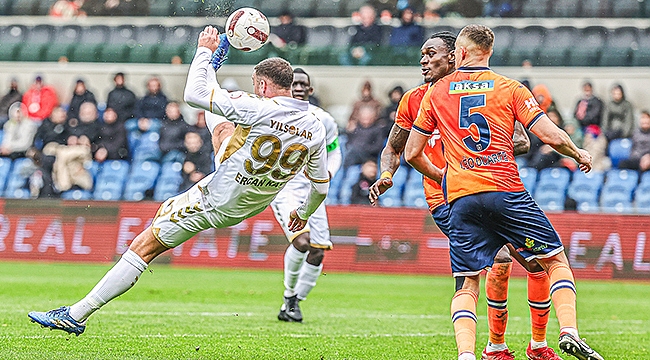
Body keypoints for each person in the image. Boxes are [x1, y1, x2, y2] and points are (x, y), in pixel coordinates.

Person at [28, 25, 329, 336]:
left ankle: (76, 315)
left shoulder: (259, 108)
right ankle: (212, 69)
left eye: (256, 84)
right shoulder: (316, 126)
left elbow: (194, 95)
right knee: (224, 128)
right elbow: (321, 185)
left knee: (144, 246)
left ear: (265, 86)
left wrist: (203, 51)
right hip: (254, 197)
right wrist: (303, 214)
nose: (255, 89)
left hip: (218, 198)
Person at [404, 24, 602, 360]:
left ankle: (467, 353)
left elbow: (411, 153)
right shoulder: (509, 87)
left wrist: (444, 176)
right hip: (505, 189)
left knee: (466, 282)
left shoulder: (436, 93)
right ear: (489, 53)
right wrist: (578, 152)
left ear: (460, 54)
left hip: (462, 199)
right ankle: (569, 331)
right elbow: (549, 136)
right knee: (553, 259)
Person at [369, 31, 559, 360]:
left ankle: (531, 345)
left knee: (535, 263)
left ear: (455, 57)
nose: (423, 60)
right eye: (422, 55)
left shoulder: (488, 91)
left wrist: (473, 151)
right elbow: (393, 149)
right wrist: (387, 175)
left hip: (487, 186)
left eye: (432, 54)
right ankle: (497, 348)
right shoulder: (415, 99)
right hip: (446, 198)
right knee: (500, 259)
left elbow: (524, 142)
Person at [270, 68, 342, 323]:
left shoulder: (324, 120)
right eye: (293, 84)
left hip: (313, 191)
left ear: (310, 90)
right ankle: (290, 295)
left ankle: (292, 303)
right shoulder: (273, 113)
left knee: (318, 252)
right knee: (302, 241)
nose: (298, 88)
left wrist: (329, 173)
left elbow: (334, 152)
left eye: (303, 84)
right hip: (284, 187)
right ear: (286, 88)